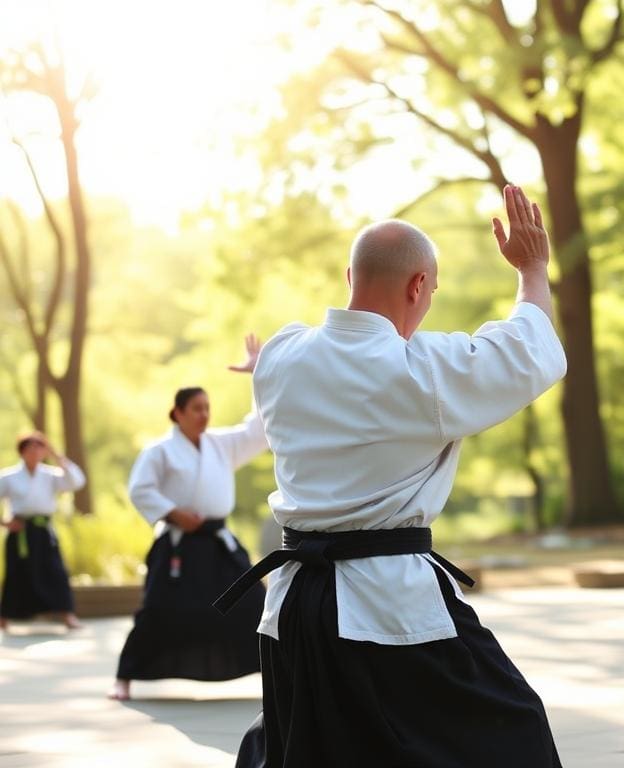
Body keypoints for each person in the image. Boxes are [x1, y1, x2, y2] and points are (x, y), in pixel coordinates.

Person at [223, 185, 566, 767]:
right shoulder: (419, 370)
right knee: (512, 733)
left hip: (295, 607)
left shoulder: (280, 355)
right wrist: (532, 269)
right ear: (418, 286)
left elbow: (292, 369)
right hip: (385, 602)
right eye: (430, 291)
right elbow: (529, 348)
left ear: (348, 275)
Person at [110, 335, 270, 701]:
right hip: (178, 543)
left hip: (217, 542)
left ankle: (275, 673)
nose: (204, 414)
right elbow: (140, 489)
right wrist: (173, 513)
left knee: (252, 604)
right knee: (158, 610)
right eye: (196, 407)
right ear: (178, 412)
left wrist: (258, 374)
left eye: (207, 407)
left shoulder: (221, 445)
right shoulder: (160, 451)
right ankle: (125, 677)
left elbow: (258, 429)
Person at [0, 432, 86, 631]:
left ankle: (67, 615)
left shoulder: (50, 475)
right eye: (30, 448)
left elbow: (76, 481)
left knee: (55, 571)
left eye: (39, 448)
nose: (35, 452)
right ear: (22, 452)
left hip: (44, 532)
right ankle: (4, 618)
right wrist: (5, 523)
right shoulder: (9, 477)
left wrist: (56, 455)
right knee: (15, 574)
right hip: (19, 532)